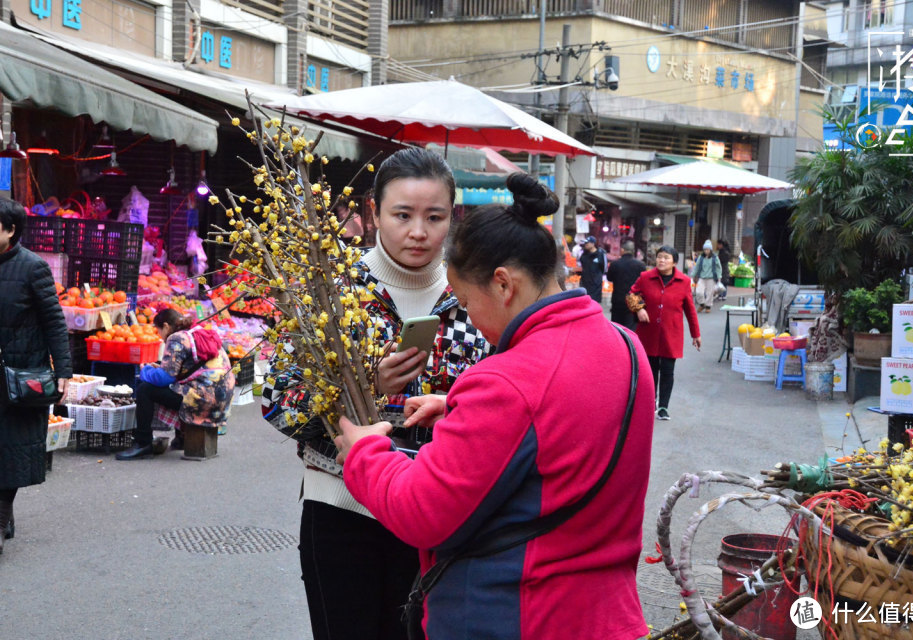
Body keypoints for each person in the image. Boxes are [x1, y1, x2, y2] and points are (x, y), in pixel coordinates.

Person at [335, 173, 656, 640]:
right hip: (606, 615)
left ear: (503, 285)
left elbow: (421, 512)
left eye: (466, 301)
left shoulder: (508, 380)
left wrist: (365, 453)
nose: (472, 318)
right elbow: (564, 421)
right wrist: (462, 407)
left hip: (516, 615)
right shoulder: (626, 348)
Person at [261, 147, 490, 640]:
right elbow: (277, 400)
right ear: (372, 212)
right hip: (343, 508)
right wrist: (367, 387)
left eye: (435, 217)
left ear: (454, 216)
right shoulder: (329, 289)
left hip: (438, 511)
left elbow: (503, 399)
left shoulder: (474, 295)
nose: (419, 232)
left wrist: (453, 405)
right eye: (402, 215)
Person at [0, 198, 72, 555]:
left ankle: (0, 518)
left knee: (10, 450)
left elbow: (55, 323)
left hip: (18, 376)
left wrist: (64, 372)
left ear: (10, 230)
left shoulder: (33, 268)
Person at [116, 309, 236, 460]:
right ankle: (182, 439)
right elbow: (185, 369)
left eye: (159, 330)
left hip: (203, 400)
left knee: (145, 389)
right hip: (222, 399)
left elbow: (164, 378)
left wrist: (145, 371)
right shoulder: (198, 330)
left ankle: (143, 443)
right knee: (180, 387)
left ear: (166, 326)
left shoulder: (177, 338)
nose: (160, 336)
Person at [628, 245, 701, 421]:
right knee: (650, 371)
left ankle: (663, 407)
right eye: (659, 257)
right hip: (649, 333)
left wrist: (695, 334)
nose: (661, 260)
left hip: (671, 335)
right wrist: (638, 309)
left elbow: (690, 310)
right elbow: (631, 294)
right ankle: (650, 403)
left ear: (674, 262)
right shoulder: (646, 277)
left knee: (668, 371)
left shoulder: (683, 282)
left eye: (666, 258)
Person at [606, 240, 646, 331]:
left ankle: (619, 344)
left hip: (618, 299)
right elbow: (644, 282)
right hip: (634, 299)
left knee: (617, 326)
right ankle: (630, 344)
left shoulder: (615, 264)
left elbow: (609, 278)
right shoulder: (640, 265)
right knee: (631, 327)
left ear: (622, 250)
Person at [692, 240, 723, 313]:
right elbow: (697, 267)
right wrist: (693, 275)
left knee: (710, 293)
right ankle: (702, 304)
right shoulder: (701, 257)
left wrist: (719, 278)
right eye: (705, 249)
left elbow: (719, 268)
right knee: (699, 292)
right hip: (702, 278)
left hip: (711, 278)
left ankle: (708, 306)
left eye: (707, 249)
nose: (706, 251)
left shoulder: (715, 258)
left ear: (710, 250)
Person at [578, 235, 607, 303]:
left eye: (587, 243)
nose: (585, 245)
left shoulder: (600, 254)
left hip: (595, 285)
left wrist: (597, 277)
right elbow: (582, 266)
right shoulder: (584, 255)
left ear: (593, 244)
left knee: (594, 304)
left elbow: (604, 269)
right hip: (585, 284)